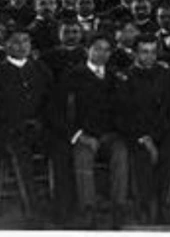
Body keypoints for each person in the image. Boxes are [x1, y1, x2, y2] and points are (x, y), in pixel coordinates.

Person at [47, 31, 130, 229]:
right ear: (87, 50)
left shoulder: (116, 76)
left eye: (107, 50)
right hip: (84, 135)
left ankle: (118, 207)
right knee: (82, 157)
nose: (102, 54)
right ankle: (88, 209)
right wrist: (78, 135)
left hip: (110, 135)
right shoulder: (72, 76)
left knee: (121, 153)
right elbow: (55, 112)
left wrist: (120, 131)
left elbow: (124, 110)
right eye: (97, 49)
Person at [0, 27, 54, 225]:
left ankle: (62, 205)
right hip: (9, 131)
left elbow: (51, 103)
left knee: (60, 147)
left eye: (26, 41)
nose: (22, 46)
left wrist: (42, 121)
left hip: (38, 127)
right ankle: (32, 210)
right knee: (21, 151)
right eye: (16, 42)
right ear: (5, 46)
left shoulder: (40, 69)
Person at [117, 34, 170, 224]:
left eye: (153, 52)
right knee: (142, 155)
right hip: (137, 132)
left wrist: (165, 130)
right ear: (135, 53)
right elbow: (123, 114)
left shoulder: (167, 75)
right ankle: (143, 206)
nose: (149, 57)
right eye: (144, 52)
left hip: (162, 130)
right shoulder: (125, 78)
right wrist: (144, 137)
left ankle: (163, 204)